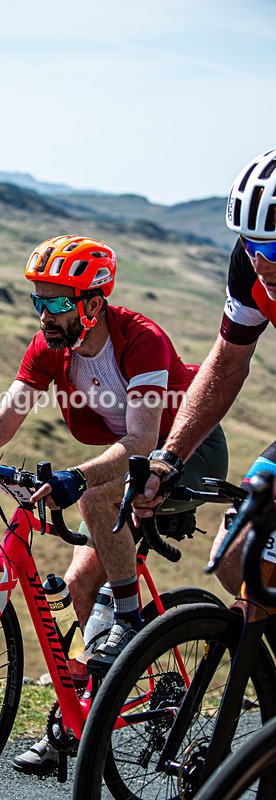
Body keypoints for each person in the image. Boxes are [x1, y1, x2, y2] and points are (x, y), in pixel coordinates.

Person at [0, 234, 228, 774]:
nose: (44, 314)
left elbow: (144, 443)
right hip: (128, 456)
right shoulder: (49, 348)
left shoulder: (140, 339)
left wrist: (78, 478)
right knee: (79, 584)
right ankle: (85, 718)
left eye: (56, 301)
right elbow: (3, 423)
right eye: (38, 300)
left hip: (186, 450)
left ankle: (129, 617)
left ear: (94, 303)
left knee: (99, 494)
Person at [133, 148, 276, 596]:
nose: (260, 262)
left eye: (273, 247)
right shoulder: (251, 267)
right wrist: (169, 458)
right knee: (238, 560)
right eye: (251, 245)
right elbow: (226, 364)